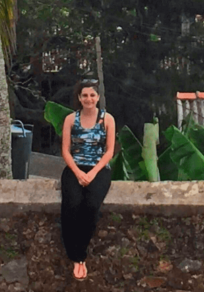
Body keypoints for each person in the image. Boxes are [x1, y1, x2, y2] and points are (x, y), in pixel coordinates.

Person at [60, 79, 115, 281]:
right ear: (79, 98)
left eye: (92, 95)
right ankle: (74, 256)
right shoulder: (70, 119)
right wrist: (78, 172)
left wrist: (92, 173)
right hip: (74, 168)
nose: (89, 99)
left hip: (99, 169)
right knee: (72, 205)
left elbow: (109, 151)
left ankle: (81, 255)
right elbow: (65, 150)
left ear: (98, 97)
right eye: (85, 95)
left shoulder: (107, 119)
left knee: (91, 205)